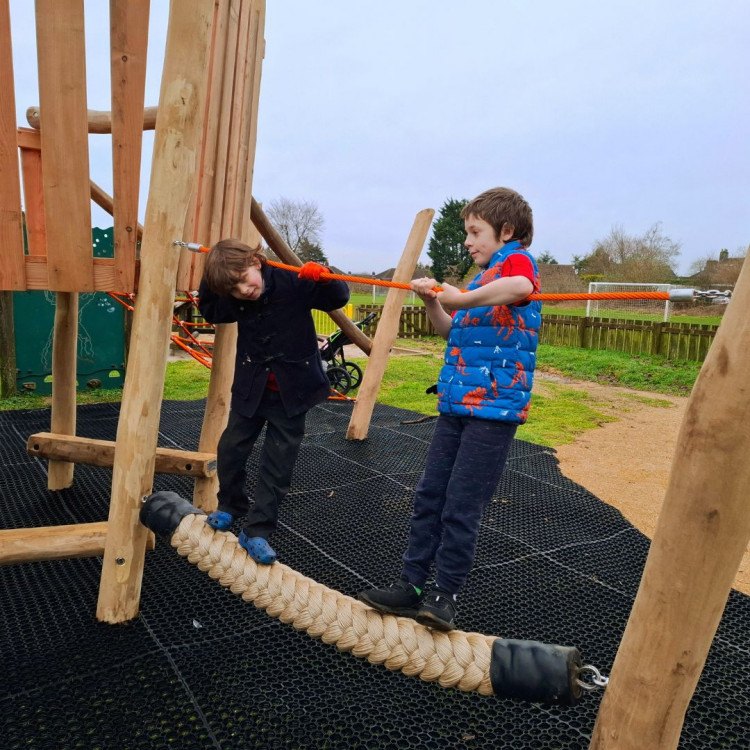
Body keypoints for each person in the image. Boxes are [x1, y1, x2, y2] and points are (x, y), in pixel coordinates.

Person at [358, 187, 541, 631]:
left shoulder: (516, 262)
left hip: (493, 411)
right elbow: (450, 331)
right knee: (429, 496)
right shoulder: (481, 281)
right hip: (456, 403)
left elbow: (522, 287)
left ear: (507, 231)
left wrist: (456, 296)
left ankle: (444, 595)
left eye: (475, 232)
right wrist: (434, 302)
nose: (467, 241)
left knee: (461, 504)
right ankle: (412, 584)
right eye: (467, 232)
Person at [198, 238, 350, 564]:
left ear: (257, 260)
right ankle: (230, 504)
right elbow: (210, 310)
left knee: (277, 465)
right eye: (235, 288)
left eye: (244, 278)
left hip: (291, 392)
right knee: (229, 450)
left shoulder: (292, 281)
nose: (244, 290)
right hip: (252, 389)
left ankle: (257, 530)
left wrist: (323, 274)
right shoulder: (237, 298)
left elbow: (338, 296)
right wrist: (210, 278)